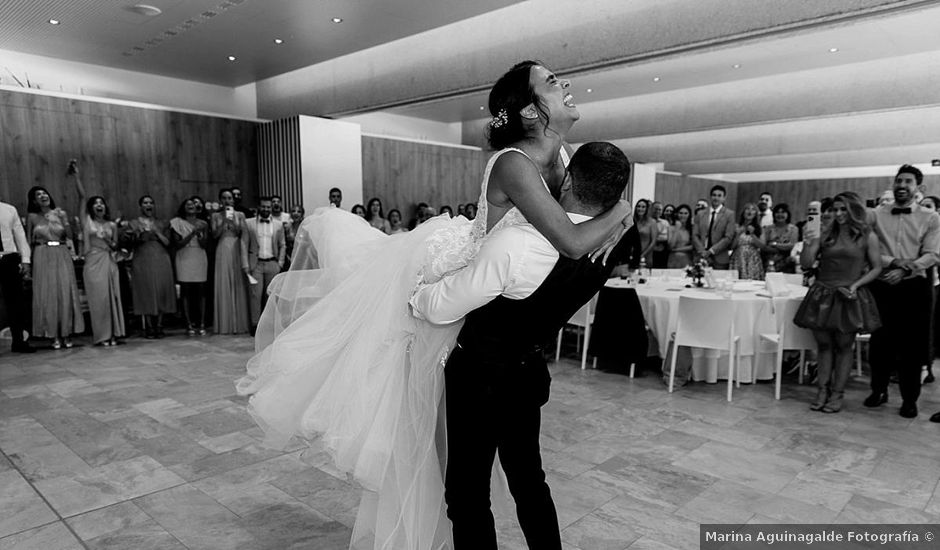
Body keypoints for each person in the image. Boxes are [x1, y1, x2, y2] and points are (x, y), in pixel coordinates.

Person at [237, 60, 630, 549]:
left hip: (499, 305)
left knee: (489, 476)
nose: (565, 85)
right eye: (552, 82)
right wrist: (623, 210)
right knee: (461, 462)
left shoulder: (565, 157)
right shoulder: (513, 163)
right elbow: (572, 240)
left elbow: (571, 225)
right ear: (531, 110)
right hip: (467, 286)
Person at [411, 141, 631, 549]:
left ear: (565, 178)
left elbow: (441, 308)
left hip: (479, 380)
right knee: (529, 481)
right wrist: (621, 211)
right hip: (528, 376)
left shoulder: (520, 243)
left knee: (467, 493)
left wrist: (415, 291)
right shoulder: (609, 243)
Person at [795, 192, 882, 413]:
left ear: (854, 209)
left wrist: (856, 285)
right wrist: (808, 241)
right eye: (835, 209)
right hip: (822, 294)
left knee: (844, 347)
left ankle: (837, 394)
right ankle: (821, 391)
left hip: (848, 294)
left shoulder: (866, 235)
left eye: (843, 209)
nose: (838, 213)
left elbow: (877, 267)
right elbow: (806, 263)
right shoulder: (824, 233)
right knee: (823, 346)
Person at [865, 165, 940, 418]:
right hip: (883, 282)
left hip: (915, 287)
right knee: (880, 342)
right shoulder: (875, 215)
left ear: (919, 188)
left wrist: (907, 269)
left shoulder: (931, 217)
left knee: (912, 346)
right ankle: (878, 390)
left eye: (908, 181)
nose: (902, 185)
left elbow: (933, 254)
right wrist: (893, 263)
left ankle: (910, 399)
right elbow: (869, 249)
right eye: (898, 181)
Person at [72, 167, 125, 346]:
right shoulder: (87, 222)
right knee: (98, 299)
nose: (99, 205)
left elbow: (116, 246)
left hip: (109, 260)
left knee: (112, 298)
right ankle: (102, 335)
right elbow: (82, 197)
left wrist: (109, 240)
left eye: (102, 203)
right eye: (96, 203)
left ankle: (114, 334)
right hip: (93, 262)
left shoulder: (111, 225)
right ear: (91, 208)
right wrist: (77, 176)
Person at [26, 186, 84, 349]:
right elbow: (28, 241)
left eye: (44, 193)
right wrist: (27, 265)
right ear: (33, 201)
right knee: (48, 293)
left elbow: (70, 235)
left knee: (65, 291)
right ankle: (53, 335)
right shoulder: (32, 217)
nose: (43, 196)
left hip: (61, 252)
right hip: (42, 253)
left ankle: (66, 332)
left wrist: (63, 220)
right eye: (38, 195)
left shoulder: (60, 213)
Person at [123, 195, 176, 339]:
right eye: (145, 203)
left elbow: (168, 242)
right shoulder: (133, 223)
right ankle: (148, 326)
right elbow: (129, 242)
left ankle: (159, 325)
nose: (149, 205)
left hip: (160, 257)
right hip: (142, 258)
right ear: (140, 206)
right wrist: (139, 235)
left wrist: (156, 232)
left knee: (160, 290)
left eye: (151, 202)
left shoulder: (162, 222)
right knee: (145, 290)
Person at [246, 197, 286, 334]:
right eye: (263, 207)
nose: (266, 209)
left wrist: (280, 263)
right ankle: (255, 325)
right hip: (255, 264)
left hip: (272, 263)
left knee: (270, 296)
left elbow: (283, 245)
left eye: (268, 207)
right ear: (259, 207)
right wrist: (245, 264)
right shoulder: (249, 223)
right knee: (255, 296)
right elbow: (243, 244)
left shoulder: (278, 224)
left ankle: (269, 325)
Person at [212, 188, 250, 335]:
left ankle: (240, 323)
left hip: (237, 247)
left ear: (233, 200)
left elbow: (243, 233)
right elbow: (214, 235)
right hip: (222, 247)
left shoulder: (240, 215)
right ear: (220, 201)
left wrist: (233, 221)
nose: (227, 201)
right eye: (224, 198)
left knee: (238, 281)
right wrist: (223, 223)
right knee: (223, 282)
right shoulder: (215, 215)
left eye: (229, 198)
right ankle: (225, 323)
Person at [171, 198, 209, 336]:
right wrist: (192, 233)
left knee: (201, 291)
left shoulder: (203, 223)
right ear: (183, 208)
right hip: (184, 256)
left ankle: (202, 323)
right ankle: (188, 324)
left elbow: (205, 244)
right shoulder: (176, 223)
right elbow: (178, 244)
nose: (191, 206)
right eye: (188, 204)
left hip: (199, 255)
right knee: (185, 291)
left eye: (193, 204)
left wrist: (199, 235)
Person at [0, 198, 34, 353]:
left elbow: (20, 235)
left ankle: (19, 341)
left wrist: (26, 260)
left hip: (9, 258)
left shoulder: (9, 209)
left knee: (16, 302)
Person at [692, 185, 736, 270]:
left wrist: (711, 251)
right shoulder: (701, 214)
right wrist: (702, 251)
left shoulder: (729, 214)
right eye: (714, 195)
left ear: (724, 198)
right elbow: (695, 235)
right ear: (710, 196)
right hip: (701, 256)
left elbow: (728, 237)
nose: (716, 198)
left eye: (719, 195)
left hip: (720, 257)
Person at [731, 203, 764, 280]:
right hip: (738, 258)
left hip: (752, 259)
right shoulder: (736, 226)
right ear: (743, 212)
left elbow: (763, 246)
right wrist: (738, 234)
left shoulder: (759, 228)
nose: (750, 211)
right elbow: (732, 246)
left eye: (753, 209)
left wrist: (752, 234)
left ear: (755, 214)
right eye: (747, 209)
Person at [762, 203, 798, 272]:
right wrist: (783, 249)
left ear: (788, 214)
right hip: (769, 264)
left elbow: (792, 246)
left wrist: (775, 244)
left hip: (787, 264)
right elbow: (765, 247)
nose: (780, 215)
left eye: (783, 212)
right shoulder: (768, 229)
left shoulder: (794, 229)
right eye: (777, 212)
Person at [666, 204, 694, 268]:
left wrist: (676, 250)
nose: (683, 215)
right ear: (677, 214)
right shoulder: (671, 228)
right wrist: (677, 229)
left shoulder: (691, 229)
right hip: (673, 259)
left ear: (689, 215)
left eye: (685, 213)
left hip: (687, 259)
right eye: (680, 213)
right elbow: (670, 246)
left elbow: (693, 246)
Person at [632, 199, 657, 267]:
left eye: (643, 207)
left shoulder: (652, 222)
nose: (640, 209)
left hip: (646, 254)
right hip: (632, 255)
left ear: (646, 209)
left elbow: (653, 241)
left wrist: (642, 254)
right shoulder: (631, 221)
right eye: (638, 206)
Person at [651, 201, 670, 268]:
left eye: (660, 209)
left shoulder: (665, 222)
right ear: (651, 209)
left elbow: (668, 237)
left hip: (663, 252)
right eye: (656, 209)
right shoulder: (648, 222)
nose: (657, 211)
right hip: (650, 252)